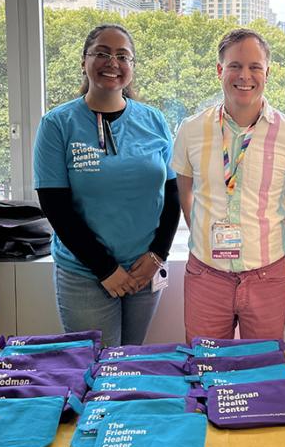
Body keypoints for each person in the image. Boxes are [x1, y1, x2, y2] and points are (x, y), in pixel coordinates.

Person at [33, 24, 180, 348]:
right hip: (86, 275)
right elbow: (56, 207)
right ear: (84, 61)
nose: (112, 62)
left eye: (122, 56)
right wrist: (106, 268)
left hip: (144, 271)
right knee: (98, 374)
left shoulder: (154, 120)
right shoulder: (57, 124)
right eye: (101, 52)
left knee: (129, 364)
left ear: (132, 67)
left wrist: (157, 255)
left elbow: (172, 194)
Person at [172, 28, 285, 342]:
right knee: (206, 366)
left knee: (261, 370)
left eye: (254, 67)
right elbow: (185, 191)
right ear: (220, 70)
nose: (244, 76)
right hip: (206, 275)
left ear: (267, 72)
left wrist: (271, 238)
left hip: (267, 276)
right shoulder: (191, 130)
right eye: (235, 65)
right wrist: (204, 234)